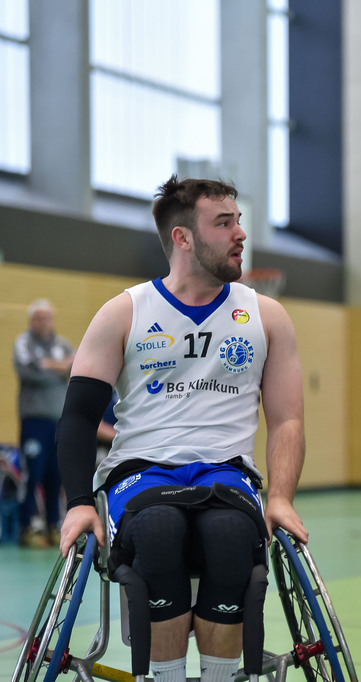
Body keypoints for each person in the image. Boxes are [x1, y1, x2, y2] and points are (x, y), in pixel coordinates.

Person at [56, 175, 308, 682]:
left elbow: (287, 419)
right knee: (159, 531)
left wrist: (279, 496)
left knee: (232, 537)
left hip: (227, 473)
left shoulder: (267, 316)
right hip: (141, 473)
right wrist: (81, 502)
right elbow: (79, 417)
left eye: (239, 221)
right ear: (183, 237)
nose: (240, 233)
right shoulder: (123, 312)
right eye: (224, 223)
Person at [13, 298, 75, 548]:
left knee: (55, 475)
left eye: (47, 317)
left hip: (58, 421)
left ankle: (52, 526)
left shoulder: (62, 344)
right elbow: (28, 371)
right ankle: (26, 527)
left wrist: (51, 366)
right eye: (38, 317)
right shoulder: (23, 342)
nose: (43, 321)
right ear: (31, 320)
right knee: (32, 474)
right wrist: (57, 368)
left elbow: (74, 368)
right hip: (34, 422)